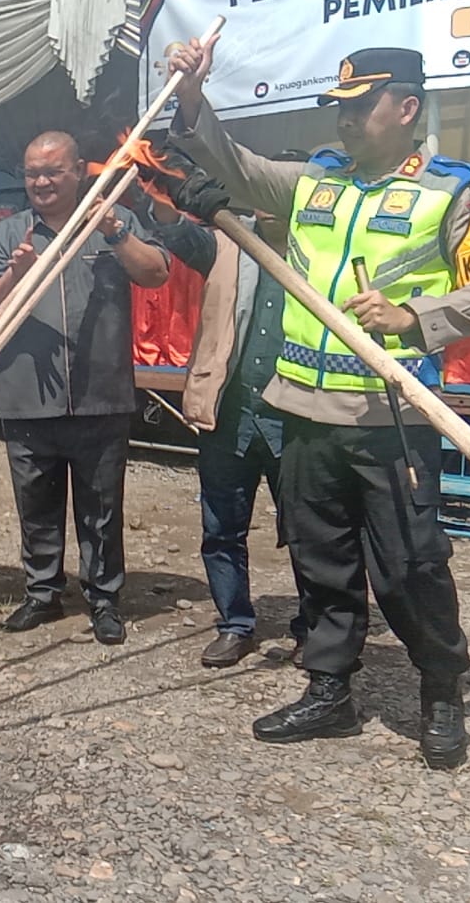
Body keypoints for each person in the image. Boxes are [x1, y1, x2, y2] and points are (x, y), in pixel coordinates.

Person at [168, 43, 470, 768]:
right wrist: (193, 98)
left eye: (360, 106)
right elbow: (234, 167)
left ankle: (441, 690)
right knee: (319, 560)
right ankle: (328, 688)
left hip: (388, 418)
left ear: (405, 108)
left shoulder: (456, 191)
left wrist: (415, 316)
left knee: (410, 566)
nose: (347, 119)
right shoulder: (314, 179)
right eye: (340, 107)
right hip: (302, 412)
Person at [0, 131, 170, 644]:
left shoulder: (112, 219)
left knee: (102, 505)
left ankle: (104, 599)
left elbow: (156, 274)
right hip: (26, 393)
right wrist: (15, 274)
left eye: (52, 171)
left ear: (78, 170)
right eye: (32, 173)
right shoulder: (8, 232)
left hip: (99, 392)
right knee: (35, 502)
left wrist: (115, 232)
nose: (40, 181)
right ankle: (41, 592)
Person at [157, 168, 312, 668]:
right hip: (230, 412)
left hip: (299, 417)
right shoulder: (227, 241)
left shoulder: (319, 253)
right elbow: (180, 237)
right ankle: (235, 625)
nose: (268, 202)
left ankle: (314, 628)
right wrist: (159, 198)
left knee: (310, 532)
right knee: (222, 527)